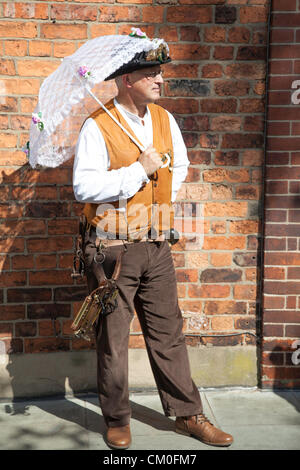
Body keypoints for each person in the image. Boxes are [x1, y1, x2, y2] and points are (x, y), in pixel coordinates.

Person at [73, 32, 233, 450]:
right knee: (112, 338)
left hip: (155, 242)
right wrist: (138, 172)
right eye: (151, 73)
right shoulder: (97, 126)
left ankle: (187, 415)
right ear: (127, 80)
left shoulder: (163, 120)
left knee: (169, 333)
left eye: (160, 73)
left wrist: (163, 196)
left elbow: (179, 164)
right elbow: (83, 188)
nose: (160, 80)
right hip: (111, 248)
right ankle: (117, 419)